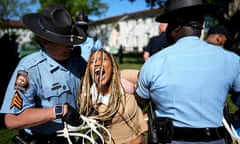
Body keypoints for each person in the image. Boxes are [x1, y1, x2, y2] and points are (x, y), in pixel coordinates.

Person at [135, 0, 240, 143]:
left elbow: (139, 102)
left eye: (169, 24)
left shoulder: (154, 63)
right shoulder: (231, 60)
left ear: (177, 26)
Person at [0, 4, 87, 144]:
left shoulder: (77, 62)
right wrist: (59, 111)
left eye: (70, 41)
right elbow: (12, 119)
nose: (70, 46)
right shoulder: (29, 69)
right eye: (63, 42)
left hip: (72, 138)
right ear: (45, 41)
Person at [77, 49, 148, 144]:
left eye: (103, 59)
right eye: (92, 61)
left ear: (112, 65)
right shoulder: (89, 95)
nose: (97, 63)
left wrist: (151, 114)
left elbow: (155, 80)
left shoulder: (124, 78)